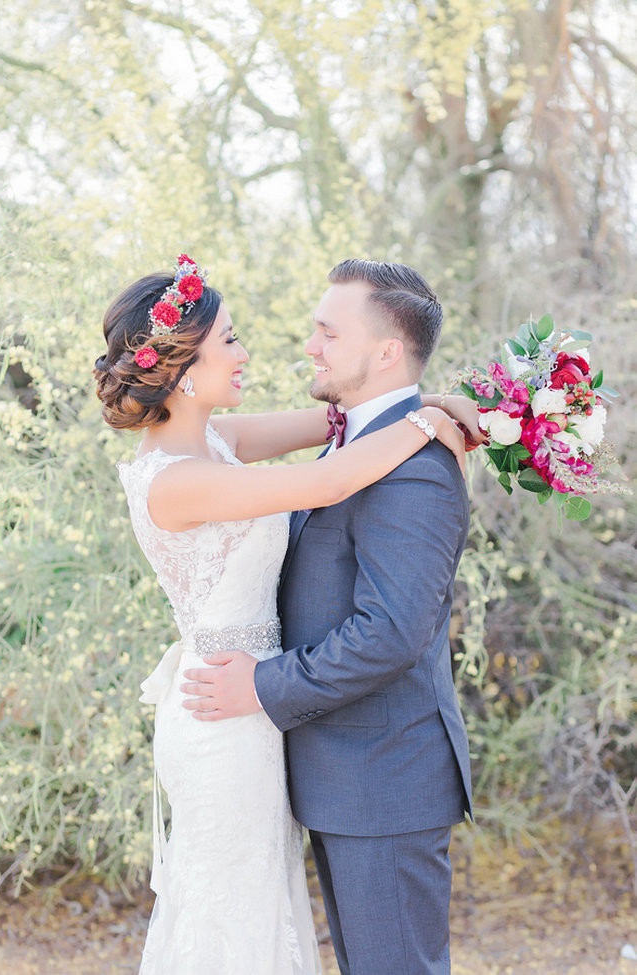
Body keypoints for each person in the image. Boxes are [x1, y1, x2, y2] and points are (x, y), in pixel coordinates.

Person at [94, 254, 478, 975]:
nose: (251, 352)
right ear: (179, 368)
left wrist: (427, 401)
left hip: (260, 716)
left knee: (258, 911)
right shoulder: (176, 480)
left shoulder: (216, 442)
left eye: (325, 332)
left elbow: (337, 421)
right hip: (224, 712)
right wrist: (425, 421)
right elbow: (330, 478)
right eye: (230, 341)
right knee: (231, 915)